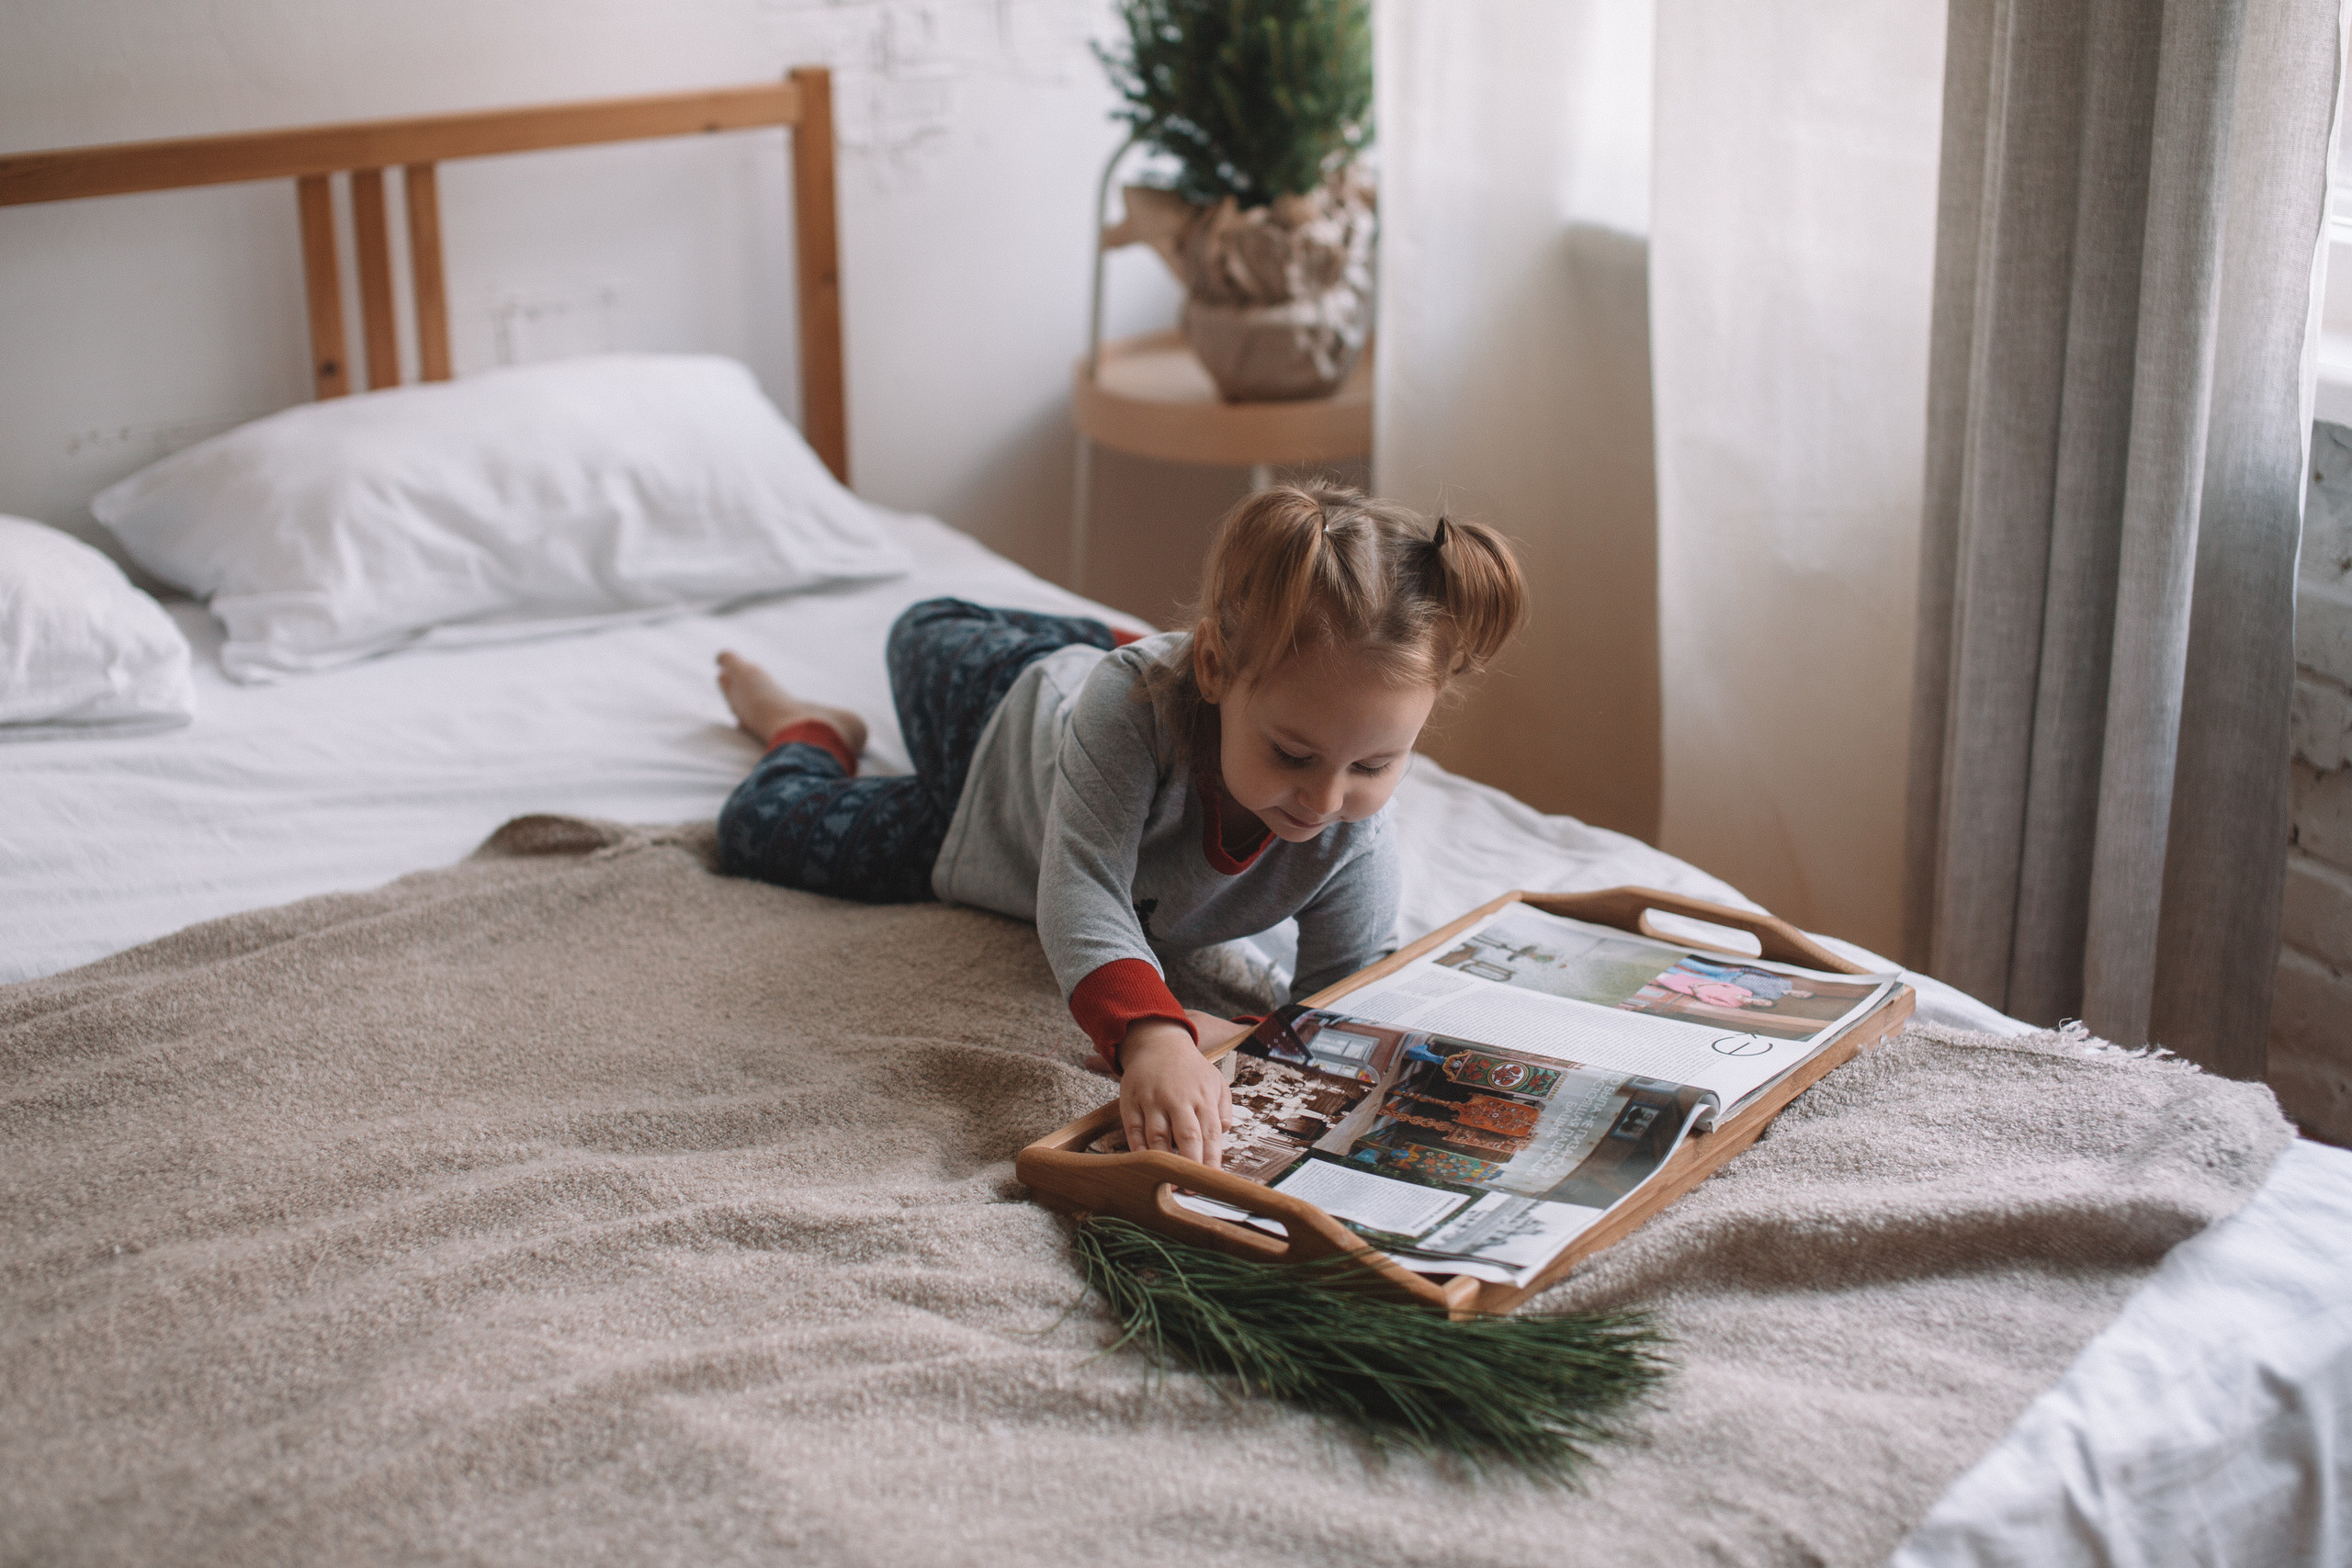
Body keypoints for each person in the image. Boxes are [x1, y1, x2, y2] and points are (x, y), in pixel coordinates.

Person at [710, 484, 1526, 1169]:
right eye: (1291, 752)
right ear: (1215, 670)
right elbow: (1083, 890)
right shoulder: (1132, 719)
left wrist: (1252, 1033)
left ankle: (1140, 655)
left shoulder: (1354, 834)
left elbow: (1346, 1004)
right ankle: (810, 729)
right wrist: (1154, 1038)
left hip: (983, 840)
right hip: (1001, 718)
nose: (1324, 798)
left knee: (762, 826)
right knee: (919, 630)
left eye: (1375, 766)